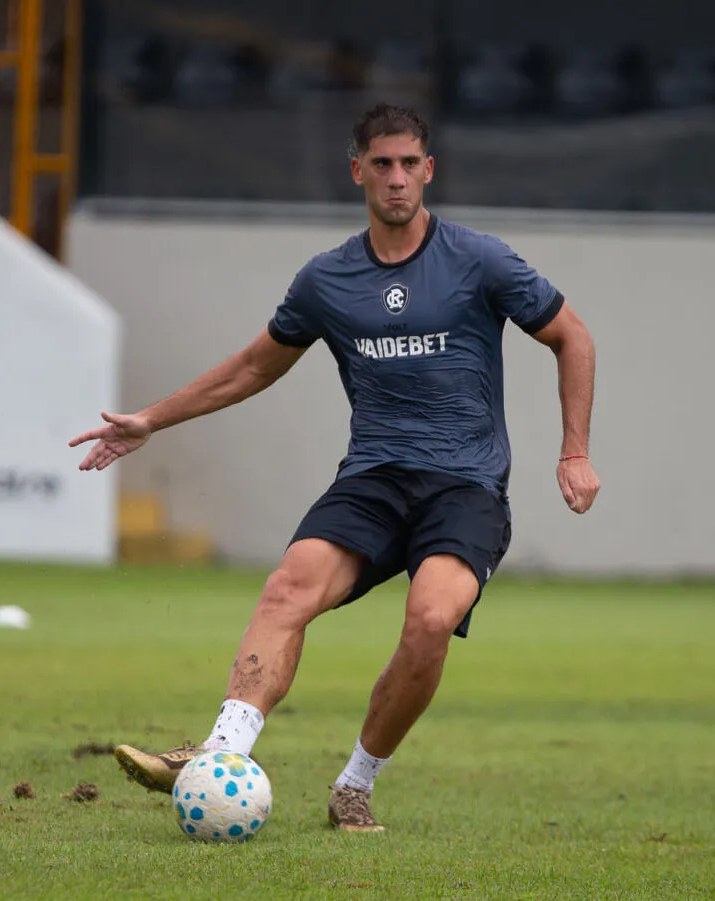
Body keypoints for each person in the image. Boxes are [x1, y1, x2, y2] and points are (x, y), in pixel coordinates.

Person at [68, 102, 599, 833]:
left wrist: (574, 450)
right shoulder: (328, 279)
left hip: (465, 486)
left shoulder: (480, 261)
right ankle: (217, 754)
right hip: (374, 480)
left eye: (409, 164)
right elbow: (253, 367)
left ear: (429, 170)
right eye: (382, 164)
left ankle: (355, 783)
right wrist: (152, 419)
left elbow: (573, 337)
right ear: (357, 171)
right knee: (287, 587)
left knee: (431, 619)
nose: (397, 178)